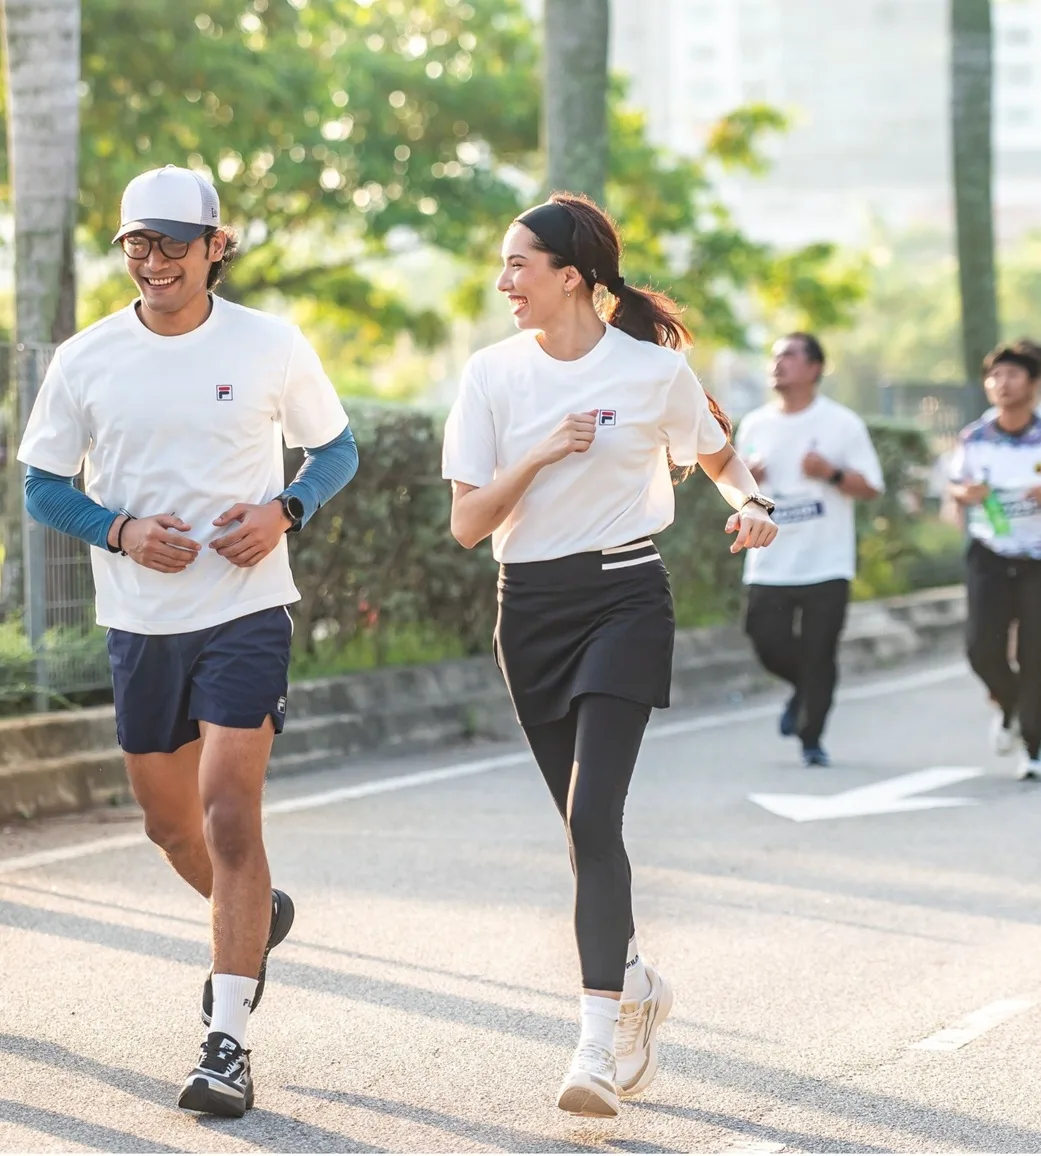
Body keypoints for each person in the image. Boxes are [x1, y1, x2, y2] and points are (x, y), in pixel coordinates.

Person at [17, 165, 358, 1117]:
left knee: (228, 813)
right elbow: (42, 485)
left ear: (215, 246)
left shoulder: (269, 343)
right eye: (138, 242)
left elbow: (335, 449)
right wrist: (120, 531)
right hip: (140, 623)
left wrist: (285, 509)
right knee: (170, 826)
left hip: (246, 609)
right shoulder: (85, 357)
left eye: (173, 241)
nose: (154, 259)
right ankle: (255, 917)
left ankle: (227, 1042)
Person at [441, 192, 777, 1119]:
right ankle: (634, 982)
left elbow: (719, 458)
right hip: (528, 610)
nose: (504, 282)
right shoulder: (490, 375)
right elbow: (467, 525)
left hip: (626, 595)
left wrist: (754, 505)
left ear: (571, 277)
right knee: (580, 829)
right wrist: (541, 454)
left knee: (594, 815)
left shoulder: (652, 373)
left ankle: (595, 1045)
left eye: (518, 264)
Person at [735, 333, 883, 767]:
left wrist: (830, 473)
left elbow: (871, 486)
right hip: (770, 560)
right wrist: (750, 482)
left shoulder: (842, 423)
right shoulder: (755, 424)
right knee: (765, 641)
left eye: (789, 356)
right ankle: (806, 689)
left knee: (820, 651)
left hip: (827, 561)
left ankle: (811, 737)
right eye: (774, 356)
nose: (777, 363)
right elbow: (737, 490)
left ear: (815, 367)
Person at [948, 341, 1041, 779]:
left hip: (1037, 558)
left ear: (1033, 384)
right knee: (981, 648)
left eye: (1013, 375)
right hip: (989, 553)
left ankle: (1034, 748)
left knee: (1036, 654)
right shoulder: (975, 437)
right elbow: (955, 486)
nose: (1002, 383)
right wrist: (965, 494)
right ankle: (1009, 704)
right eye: (995, 376)